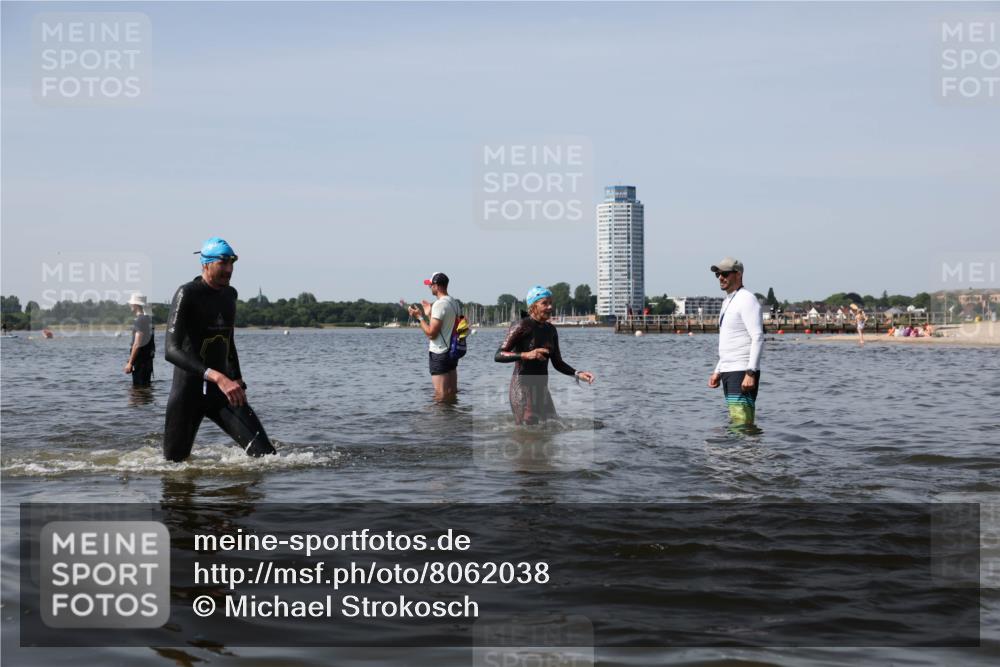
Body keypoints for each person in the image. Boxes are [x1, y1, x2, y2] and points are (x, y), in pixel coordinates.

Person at [162, 237, 276, 462]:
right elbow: (171, 350)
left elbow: (228, 341)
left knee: (266, 457)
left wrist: (237, 378)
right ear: (206, 264)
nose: (229, 269)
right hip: (188, 393)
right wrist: (218, 377)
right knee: (174, 467)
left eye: (232, 263)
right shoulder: (188, 293)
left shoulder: (230, 295)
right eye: (223, 263)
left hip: (223, 392)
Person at [494, 286, 595, 425]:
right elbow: (498, 355)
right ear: (533, 306)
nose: (550, 307)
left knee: (553, 425)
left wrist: (577, 373)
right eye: (545, 303)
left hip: (542, 389)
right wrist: (526, 354)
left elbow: (558, 363)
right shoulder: (521, 325)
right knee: (528, 432)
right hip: (522, 388)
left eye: (551, 303)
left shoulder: (551, 330)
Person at [706, 258, 764, 426]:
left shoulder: (747, 299)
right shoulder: (728, 301)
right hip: (728, 369)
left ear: (738, 274)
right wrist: (718, 369)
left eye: (724, 273)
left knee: (742, 423)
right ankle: (735, 452)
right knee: (736, 420)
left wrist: (750, 373)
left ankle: (745, 452)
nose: (720, 278)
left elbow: (758, 337)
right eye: (718, 274)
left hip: (742, 370)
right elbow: (730, 340)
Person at [408, 272, 460, 402]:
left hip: (439, 353)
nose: (430, 288)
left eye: (430, 285)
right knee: (451, 393)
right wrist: (429, 313)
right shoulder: (454, 303)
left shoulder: (439, 304)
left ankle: (440, 422)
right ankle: (454, 421)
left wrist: (419, 317)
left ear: (436, 286)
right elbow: (443, 328)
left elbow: (432, 333)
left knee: (440, 395)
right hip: (452, 352)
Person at [124, 293, 155, 387]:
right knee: (145, 389)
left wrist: (130, 363)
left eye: (131, 304)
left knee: (138, 390)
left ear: (135, 305)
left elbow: (137, 344)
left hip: (140, 363)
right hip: (147, 361)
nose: (130, 305)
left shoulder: (139, 320)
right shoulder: (148, 319)